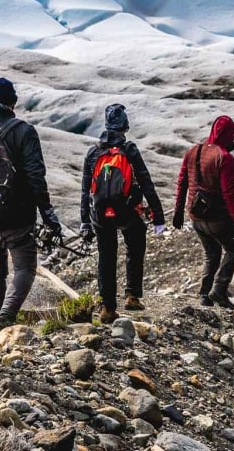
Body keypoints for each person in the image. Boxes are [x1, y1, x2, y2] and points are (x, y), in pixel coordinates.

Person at [0, 76, 63, 334]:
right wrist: (47, 213)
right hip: (18, 215)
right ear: (11, 103)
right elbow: (35, 176)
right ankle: (5, 320)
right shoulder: (24, 131)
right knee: (25, 268)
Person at [80, 103, 165, 320]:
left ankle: (107, 308)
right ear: (125, 127)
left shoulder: (93, 152)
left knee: (106, 255)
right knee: (136, 241)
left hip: (99, 214)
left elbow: (85, 190)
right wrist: (158, 214)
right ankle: (132, 296)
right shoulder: (130, 150)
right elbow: (146, 182)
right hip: (126, 211)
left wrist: (85, 222)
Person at [172, 115, 234, 309]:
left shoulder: (192, 151)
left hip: (196, 215)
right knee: (233, 249)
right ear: (227, 134)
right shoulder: (224, 157)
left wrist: (178, 211)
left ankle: (204, 295)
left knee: (211, 253)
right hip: (218, 217)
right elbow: (229, 193)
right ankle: (219, 290)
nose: (233, 138)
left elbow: (182, 182)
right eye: (232, 134)